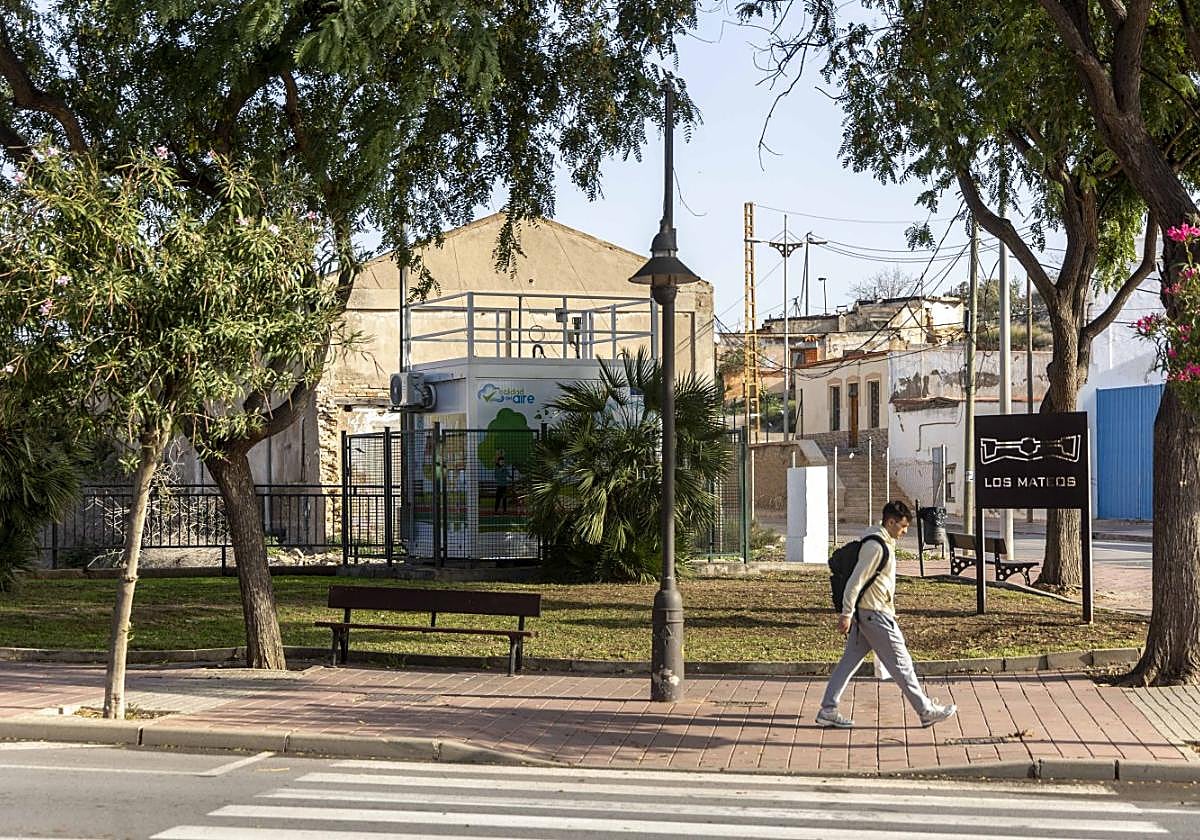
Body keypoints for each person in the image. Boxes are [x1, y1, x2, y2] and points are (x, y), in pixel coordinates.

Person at [816, 499, 957, 729]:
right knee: (902, 663)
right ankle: (925, 711)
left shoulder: (880, 541)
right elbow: (855, 582)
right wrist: (846, 614)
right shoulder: (876, 546)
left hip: (869, 613)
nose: (905, 531)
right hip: (875, 614)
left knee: (849, 661)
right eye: (903, 526)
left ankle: (828, 709)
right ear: (890, 522)